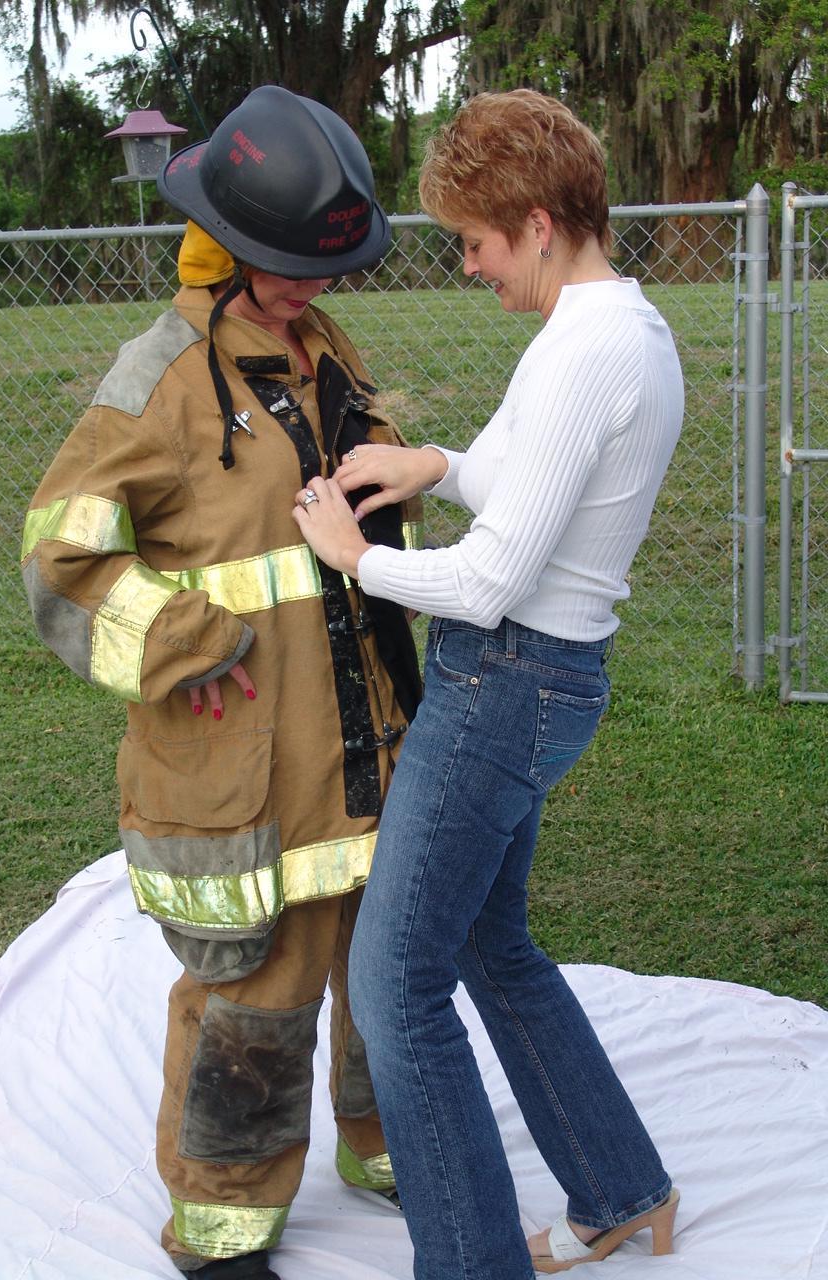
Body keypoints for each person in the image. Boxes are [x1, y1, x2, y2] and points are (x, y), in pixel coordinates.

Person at [21, 85, 423, 1279]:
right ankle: (224, 1221)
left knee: (384, 966)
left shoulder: (315, 345)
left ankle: (388, 1139)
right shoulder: (160, 377)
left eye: (324, 265)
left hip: (367, 738)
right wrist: (177, 643)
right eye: (290, 263)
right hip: (249, 763)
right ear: (233, 247)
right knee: (259, 986)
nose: (312, 285)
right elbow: (61, 555)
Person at [292, 88, 685, 1279]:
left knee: (394, 981)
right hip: (548, 679)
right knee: (491, 945)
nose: (468, 265)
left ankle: (471, 1263)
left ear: (539, 220)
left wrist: (360, 559)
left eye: (474, 241)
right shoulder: (619, 329)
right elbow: (531, 494)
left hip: (504, 681)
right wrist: (440, 460)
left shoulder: (587, 350)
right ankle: (622, 1189)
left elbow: (496, 575)